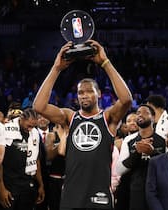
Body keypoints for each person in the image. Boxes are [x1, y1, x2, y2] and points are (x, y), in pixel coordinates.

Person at [33, 40, 132, 210]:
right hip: (72, 194)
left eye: (89, 92)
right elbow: (39, 106)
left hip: (100, 193)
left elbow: (126, 100)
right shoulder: (69, 117)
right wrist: (56, 69)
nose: (84, 96)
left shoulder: (108, 117)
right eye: (80, 92)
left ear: (99, 94)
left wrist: (105, 63)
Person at [116, 104, 165, 210]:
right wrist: (137, 153)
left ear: (153, 117)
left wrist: (153, 153)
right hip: (135, 191)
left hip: (158, 191)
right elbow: (119, 169)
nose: (140, 115)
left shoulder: (163, 140)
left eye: (145, 112)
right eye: (138, 113)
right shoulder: (129, 140)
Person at [0, 108, 45, 210]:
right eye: (29, 126)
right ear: (22, 118)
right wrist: (1, 188)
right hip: (9, 184)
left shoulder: (35, 133)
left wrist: (41, 185)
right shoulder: (5, 129)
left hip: (27, 183)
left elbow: (36, 160)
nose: (30, 129)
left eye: (33, 126)